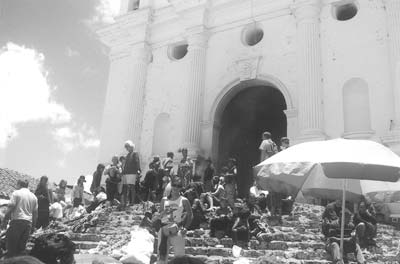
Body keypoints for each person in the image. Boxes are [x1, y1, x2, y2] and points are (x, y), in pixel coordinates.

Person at [157, 178, 193, 264]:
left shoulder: (184, 200)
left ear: (181, 188)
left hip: (177, 228)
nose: (176, 188)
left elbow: (190, 215)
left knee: (179, 255)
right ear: (171, 186)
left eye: (178, 186)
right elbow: (160, 215)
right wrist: (164, 212)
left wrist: (186, 228)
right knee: (162, 255)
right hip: (164, 228)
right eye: (174, 185)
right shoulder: (164, 200)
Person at [1, 179, 38, 258]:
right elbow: (35, 214)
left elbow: (11, 207)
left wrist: (4, 221)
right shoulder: (34, 197)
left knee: (11, 248)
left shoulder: (16, 193)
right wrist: (33, 227)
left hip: (17, 222)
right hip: (28, 224)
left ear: (19, 184)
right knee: (21, 249)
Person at [122, 140, 141, 207]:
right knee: (125, 187)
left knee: (132, 187)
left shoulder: (135, 153)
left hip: (132, 172)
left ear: (131, 146)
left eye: (128, 147)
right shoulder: (127, 155)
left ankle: (132, 202)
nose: (127, 148)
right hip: (126, 173)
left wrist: (138, 171)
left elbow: (137, 162)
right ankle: (125, 202)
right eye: (126, 147)